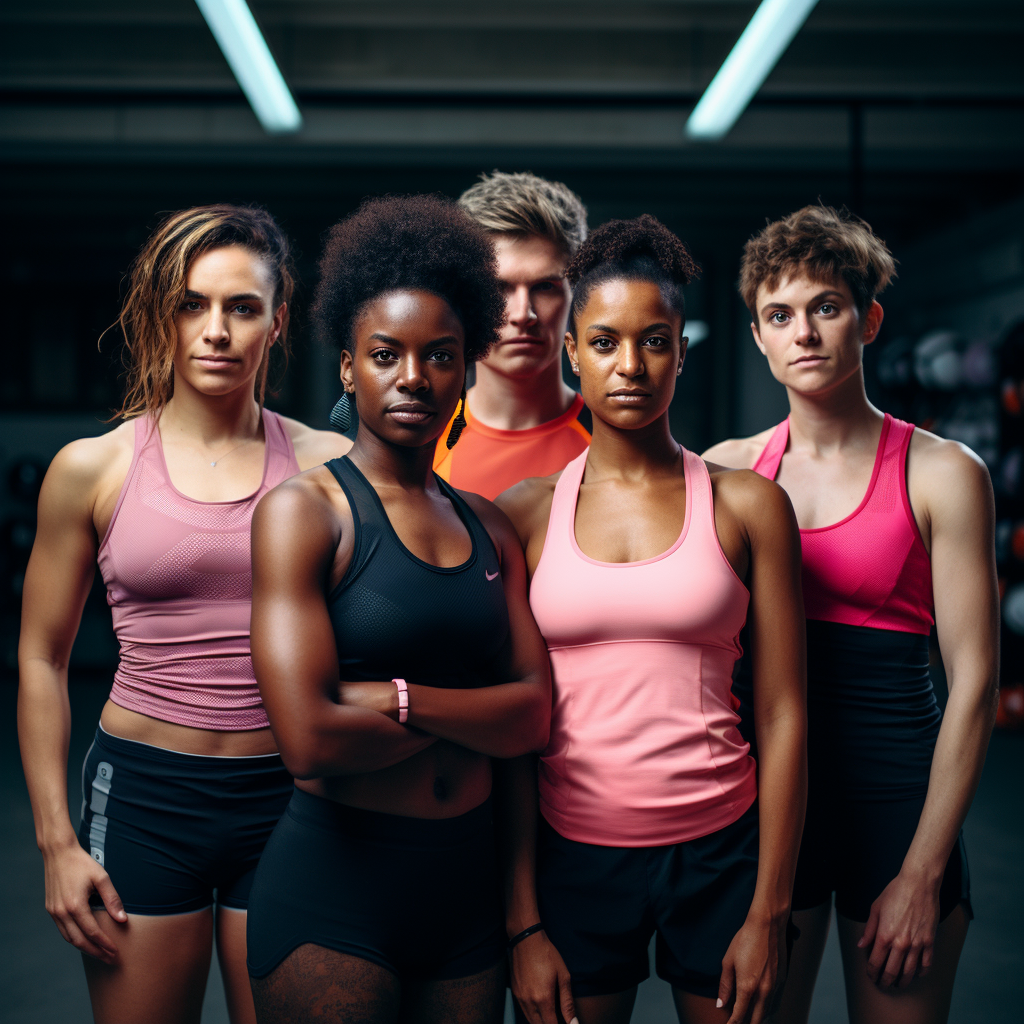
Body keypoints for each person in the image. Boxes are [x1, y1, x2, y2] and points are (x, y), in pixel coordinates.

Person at [17, 204, 352, 1024]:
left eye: (242, 307)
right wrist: (57, 843)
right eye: (191, 304)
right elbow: (41, 659)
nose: (216, 330)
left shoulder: (330, 466)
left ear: (277, 323)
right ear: (159, 315)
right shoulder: (91, 469)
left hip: (291, 795)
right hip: (143, 794)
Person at [245, 195, 553, 1024]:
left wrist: (395, 696)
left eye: (440, 356)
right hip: (336, 893)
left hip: (466, 892)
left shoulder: (490, 525)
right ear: (348, 367)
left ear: (466, 369)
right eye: (386, 355)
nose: (413, 378)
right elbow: (309, 739)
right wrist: (478, 714)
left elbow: (533, 719)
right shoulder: (305, 512)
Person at [496, 215, 807, 1024]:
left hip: (722, 854)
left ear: (681, 349)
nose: (629, 365)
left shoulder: (749, 506)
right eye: (603, 342)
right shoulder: (523, 515)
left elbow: (782, 712)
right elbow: (515, 730)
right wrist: (523, 921)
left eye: (654, 340)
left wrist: (770, 911)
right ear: (572, 353)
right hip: (574, 856)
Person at [704, 205, 998, 1024]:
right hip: (767, 806)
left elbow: (974, 685)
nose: (804, 333)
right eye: (780, 315)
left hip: (897, 806)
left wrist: (924, 872)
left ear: (868, 319)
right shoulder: (728, 470)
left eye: (826, 307)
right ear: (758, 336)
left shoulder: (943, 472)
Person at [433, 171, 591, 498]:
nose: (523, 314)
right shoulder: (420, 445)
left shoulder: (618, 444)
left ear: (575, 293)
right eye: (497, 288)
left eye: (545, 287)